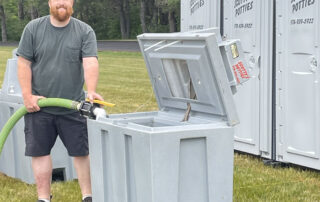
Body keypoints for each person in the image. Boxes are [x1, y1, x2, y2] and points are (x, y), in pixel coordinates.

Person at [17, 0, 103, 201]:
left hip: (73, 105)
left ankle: (87, 197)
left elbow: (90, 61)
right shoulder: (33, 29)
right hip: (40, 106)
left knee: (81, 153)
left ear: (72, 2)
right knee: (40, 153)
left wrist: (91, 91)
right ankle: (44, 198)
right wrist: (27, 96)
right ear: (49, 2)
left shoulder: (84, 31)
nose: (61, 2)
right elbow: (23, 63)